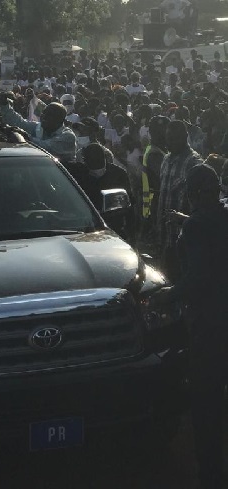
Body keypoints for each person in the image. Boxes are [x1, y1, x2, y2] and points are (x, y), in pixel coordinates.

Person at [154, 164, 228, 489]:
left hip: (209, 324)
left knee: (206, 403)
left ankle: (210, 473)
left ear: (193, 193)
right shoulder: (221, 212)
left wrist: (169, 295)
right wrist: (187, 220)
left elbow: (198, 278)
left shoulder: (197, 227)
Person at [156, 120, 203, 281]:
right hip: (166, 237)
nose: (170, 142)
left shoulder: (194, 163)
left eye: (174, 138)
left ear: (185, 137)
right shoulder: (167, 159)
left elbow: (199, 206)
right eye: (168, 138)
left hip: (184, 239)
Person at [0, 94, 77, 164]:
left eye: (50, 115)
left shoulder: (68, 136)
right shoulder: (39, 127)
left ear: (60, 119)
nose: (44, 117)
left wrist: (26, 136)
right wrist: (5, 105)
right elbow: (19, 123)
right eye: (44, 113)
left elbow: (46, 147)